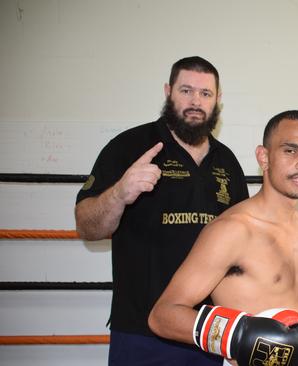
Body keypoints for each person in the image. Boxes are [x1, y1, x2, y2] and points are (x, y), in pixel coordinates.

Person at [148, 110, 298, 366]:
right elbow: (162, 316)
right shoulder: (233, 230)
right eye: (290, 150)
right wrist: (237, 334)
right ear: (264, 157)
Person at [74, 56, 250, 365]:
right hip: (141, 331)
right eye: (186, 90)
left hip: (207, 333)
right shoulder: (129, 146)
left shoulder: (228, 162)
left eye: (205, 93)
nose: (196, 101)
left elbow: (240, 252)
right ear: (168, 91)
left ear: (218, 100)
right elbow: (87, 227)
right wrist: (119, 194)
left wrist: (239, 324)